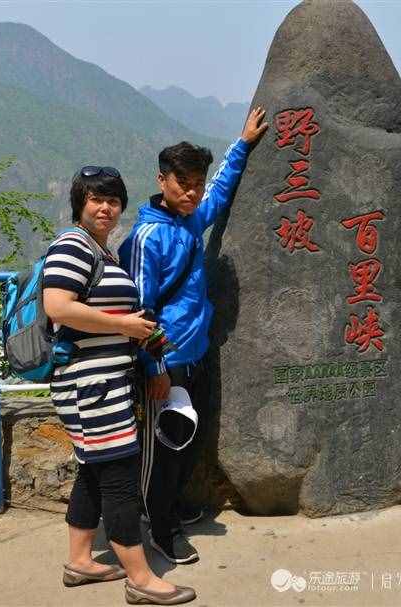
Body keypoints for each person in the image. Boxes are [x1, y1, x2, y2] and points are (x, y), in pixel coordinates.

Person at [118, 108, 268, 565]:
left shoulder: (189, 219)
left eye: (197, 184)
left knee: (185, 442)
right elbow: (139, 313)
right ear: (162, 180)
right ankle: (160, 530)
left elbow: (220, 193)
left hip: (197, 352)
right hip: (167, 360)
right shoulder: (148, 237)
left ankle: (173, 507)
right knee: (162, 450)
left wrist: (241, 144)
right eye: (184, 184)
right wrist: (156, 369)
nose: (193, 193)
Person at [42, 166, 195, 604]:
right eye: (96, 199)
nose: (105, 207)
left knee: (92, 471)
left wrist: (143, 337)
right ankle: (141, 578)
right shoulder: (72, 246)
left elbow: (113, 318)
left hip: (106, 381)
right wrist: (124, 322)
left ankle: (80, 561)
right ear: (80, 204)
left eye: (112, 200)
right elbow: (58, 306)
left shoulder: (102, 252)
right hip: (90, 385)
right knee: (120, 478)